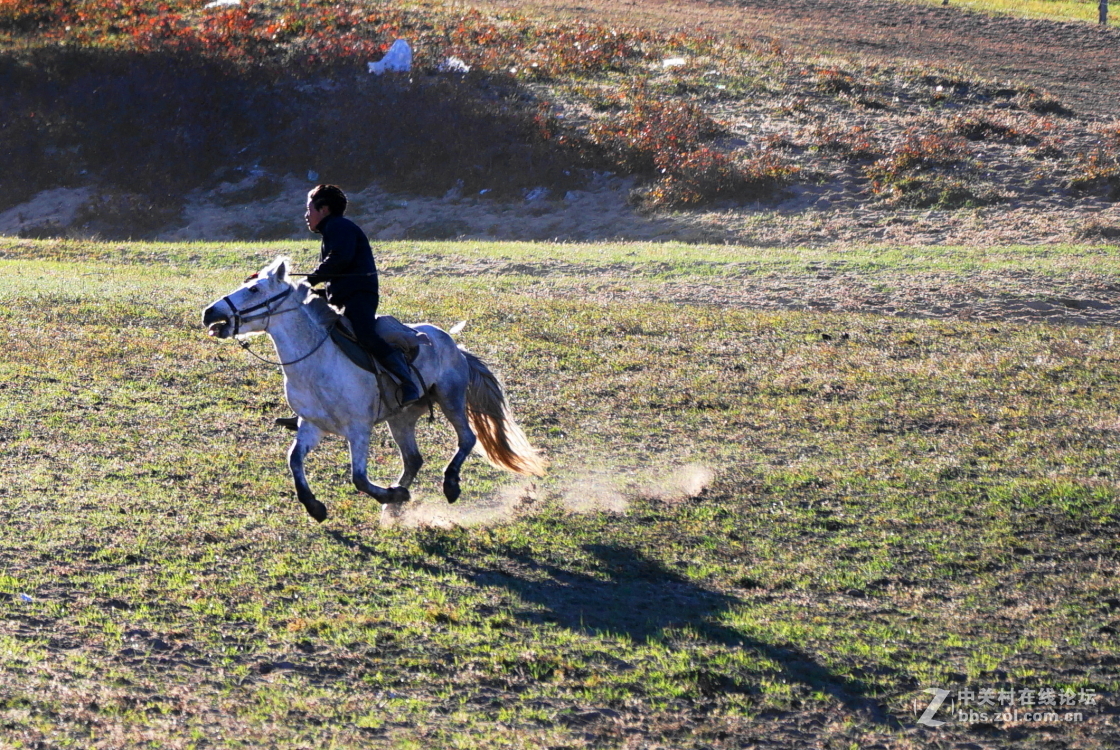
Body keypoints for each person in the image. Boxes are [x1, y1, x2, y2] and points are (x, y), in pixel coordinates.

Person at [276, 185, 421, 430]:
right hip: (343, 294)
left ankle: (408, 383)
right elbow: (338, 271)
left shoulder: (338, 226)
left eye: (309, 208)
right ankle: (309, 411)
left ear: (324, 209)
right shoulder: (332, 229)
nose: (306, 214)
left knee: (365, 334)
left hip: (359, 296)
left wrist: (309, 280)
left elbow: (340, 259)